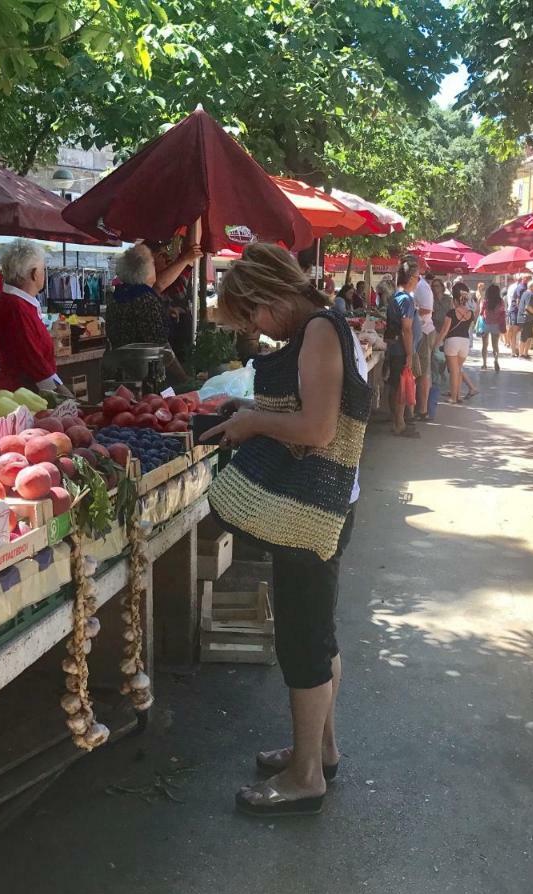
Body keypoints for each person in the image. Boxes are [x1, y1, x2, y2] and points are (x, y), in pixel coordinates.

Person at [201, 243, 370, 817]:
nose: (255, 329)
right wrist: (249, 410)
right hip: (324, 509)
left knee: (303, 642)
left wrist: (251, 422)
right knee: (317, 634)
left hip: (312, 510)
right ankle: (318, 750)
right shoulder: (322, 327)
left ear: (271, 295)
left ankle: (304, 778)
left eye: (253, 315)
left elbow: (317, 428)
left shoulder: (320, 330)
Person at [0, 239, 72, 396]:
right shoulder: (16, 307)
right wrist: (66, 396)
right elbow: (35, 363)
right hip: (25, 395)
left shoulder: (10, 300)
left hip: (16, 390)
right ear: (34, 274)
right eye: (43, 269)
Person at [107, 244, 188, 382]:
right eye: (152, 263)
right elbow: (161, 346)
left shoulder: (117, 298)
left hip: (122, 374)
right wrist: (184, 378)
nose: (155, 267)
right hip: (147, 378)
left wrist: (164, 312)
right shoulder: (146, 299)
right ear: (144, 270)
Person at [386, 259, 420, 437]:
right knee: (401, 386)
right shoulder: (406, 299)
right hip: (401, 349)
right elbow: (406, 328)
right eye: (418, 277)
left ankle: (397, 420)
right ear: (411, 278)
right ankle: (399, 422)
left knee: (396, 385)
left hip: (395, 347)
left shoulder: (395, 296)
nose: (418, 281)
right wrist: (409, 354)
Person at [437, 284, 479, 404]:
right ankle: (458, 395)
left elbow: (444, 331)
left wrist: (437, 343)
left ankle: (453, 398)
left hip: (452, 342)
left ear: (455, 300)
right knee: (458, 369)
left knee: (454, 371)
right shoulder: (470, 313)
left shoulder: (451, 313)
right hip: (465, 342)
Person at [411, 262, 435, 422]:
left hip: (424, 332)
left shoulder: (421, 287)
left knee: (423, 372)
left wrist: (409, 310)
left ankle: (423, 410)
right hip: (422, 332)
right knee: (420, 371)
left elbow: (427, 310)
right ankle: (420, 408)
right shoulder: (420, 287)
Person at [480, 284, 506, 372]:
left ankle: (484, 364)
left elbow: (481, 312)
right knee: (495, 345)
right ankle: (496, 360)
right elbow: (502, 312)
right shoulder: (500, 301)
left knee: (484, 345)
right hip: (496, 325)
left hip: (486, 324)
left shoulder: (485, 301)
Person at [519, 280, 533, 358]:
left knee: (529, 337)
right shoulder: (529, 294)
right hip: (526, 318)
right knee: (524, 337)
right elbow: (528, 307)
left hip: (527, 318)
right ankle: (521, 354)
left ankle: (525, 353)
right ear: (531, 286)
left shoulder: (526, 293)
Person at [506, 275, 525, 356]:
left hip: (513, 311)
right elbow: (517, 301)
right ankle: (514, 350)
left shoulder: (514, 287)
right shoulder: (517, 288)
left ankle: (515, 349)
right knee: (514, 331)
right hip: (514, 311)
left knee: (515, 331)